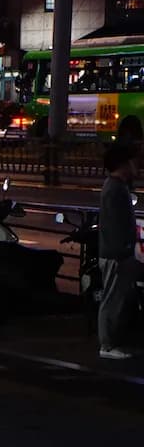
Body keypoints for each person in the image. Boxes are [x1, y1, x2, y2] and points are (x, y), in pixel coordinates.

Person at [97, 143, 140, 360]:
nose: (137, 165)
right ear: (123, 164)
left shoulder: (116, 187)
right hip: (116, 254)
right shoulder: (115, 189)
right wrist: (124, 250)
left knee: (116, 297)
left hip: (116, 252)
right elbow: (116, 224)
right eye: (132, 161)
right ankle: (107, 345)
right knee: (112, 298)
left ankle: (111, 342)